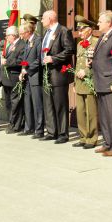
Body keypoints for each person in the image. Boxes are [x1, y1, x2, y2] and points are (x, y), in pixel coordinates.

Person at [91, 11, 112, 157]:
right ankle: (107, 143)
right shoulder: (103, 36)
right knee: (104, 115)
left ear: (109, 22)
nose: (98, 24)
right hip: (100, 80)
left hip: (110, 80)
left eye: (100, 21)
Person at [40, 10, 74, 144]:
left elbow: (69, 50)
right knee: (48, 104)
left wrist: (53, 59)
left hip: (58, 73)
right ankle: (51, 131)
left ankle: (62, 133)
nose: (41, 21)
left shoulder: (63, 31)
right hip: (47, 73)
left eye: (43, 18)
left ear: (50, 18)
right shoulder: (47, 33)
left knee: (60, 104)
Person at [71, 15, 99, 149]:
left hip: (90, 81)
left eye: (82, 29)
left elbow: (98, 63)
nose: (80, 32)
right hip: (80, 82)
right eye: (79, 30)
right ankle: (83, 137)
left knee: (91, 111)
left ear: (90, 29)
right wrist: (75, 83)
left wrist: (87, 72)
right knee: (80, 112)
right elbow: (77, 64)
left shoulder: (96, 42)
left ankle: (92, 138)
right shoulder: (79, 44)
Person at [19, 16, 44, 138]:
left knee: (37, 104)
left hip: (35, 76)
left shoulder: (38, 40)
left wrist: (27, 70)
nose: (21, 35)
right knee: (27, 103)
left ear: (28, 32)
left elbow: (38, 60)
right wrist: (22, 70)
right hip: (27, 76)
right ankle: (29, 127)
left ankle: (39, 130)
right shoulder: (27, 42)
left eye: (22, 33)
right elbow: (25, 59)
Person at [1, 26, 26, 134]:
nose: (6, 37)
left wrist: (7, 62)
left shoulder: (22, 45)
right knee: (8, 103)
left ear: (13, 35)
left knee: (15, 103)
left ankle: (16, 125)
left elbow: (21, 61)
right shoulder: (10, 45)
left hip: (15, 78)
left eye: (7, 35)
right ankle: (11, 122)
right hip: (7, 79)